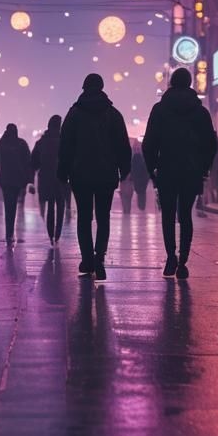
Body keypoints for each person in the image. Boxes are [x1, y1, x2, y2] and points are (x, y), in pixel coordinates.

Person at [142, 68, 218, 279]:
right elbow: (211, 144)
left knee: (168, 215)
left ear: (171, 83)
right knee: (185, 215)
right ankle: (183, 261)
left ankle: (170, 257)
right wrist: (204, 168)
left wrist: (153, 169)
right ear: (190, 83)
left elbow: (149, 143)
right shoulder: (200, 112)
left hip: (166, 169)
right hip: (191, 171)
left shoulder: (159, 110)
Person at [58, 73, 131, 282]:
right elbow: (122, 145)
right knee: (103, 217)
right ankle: (100, 257)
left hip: (80, 174)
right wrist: (124, 168)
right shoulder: (113, 114)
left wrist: (63, 171)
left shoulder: (74, 114)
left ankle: (87, 259)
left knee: (84, 217)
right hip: (106, 174)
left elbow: (66, 146)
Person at [32, 115, 69, 245]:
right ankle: (57, 233)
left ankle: (50, 234)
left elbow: (34, 163)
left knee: (50, 206)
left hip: (47, 179)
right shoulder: (65, 141)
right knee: (61, 205)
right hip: (62, 178)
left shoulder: (41, 142)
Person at [0, 123, 31, 244]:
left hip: (5, 180)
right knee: (13, 206)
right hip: (17, 180)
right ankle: (10, 233)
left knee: (8, 206)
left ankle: (9, 233)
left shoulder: (2, 144)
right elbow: (28, 163)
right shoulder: (21, 144)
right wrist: (28, 180)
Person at [130, 140, 150, 211]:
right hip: (142, 179)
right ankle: (142, 206)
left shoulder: (135, 158)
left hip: (139, 179)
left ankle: (141, 206)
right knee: (142, 193)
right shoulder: (141, 158)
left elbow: (133, 169)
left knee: (140, 193)